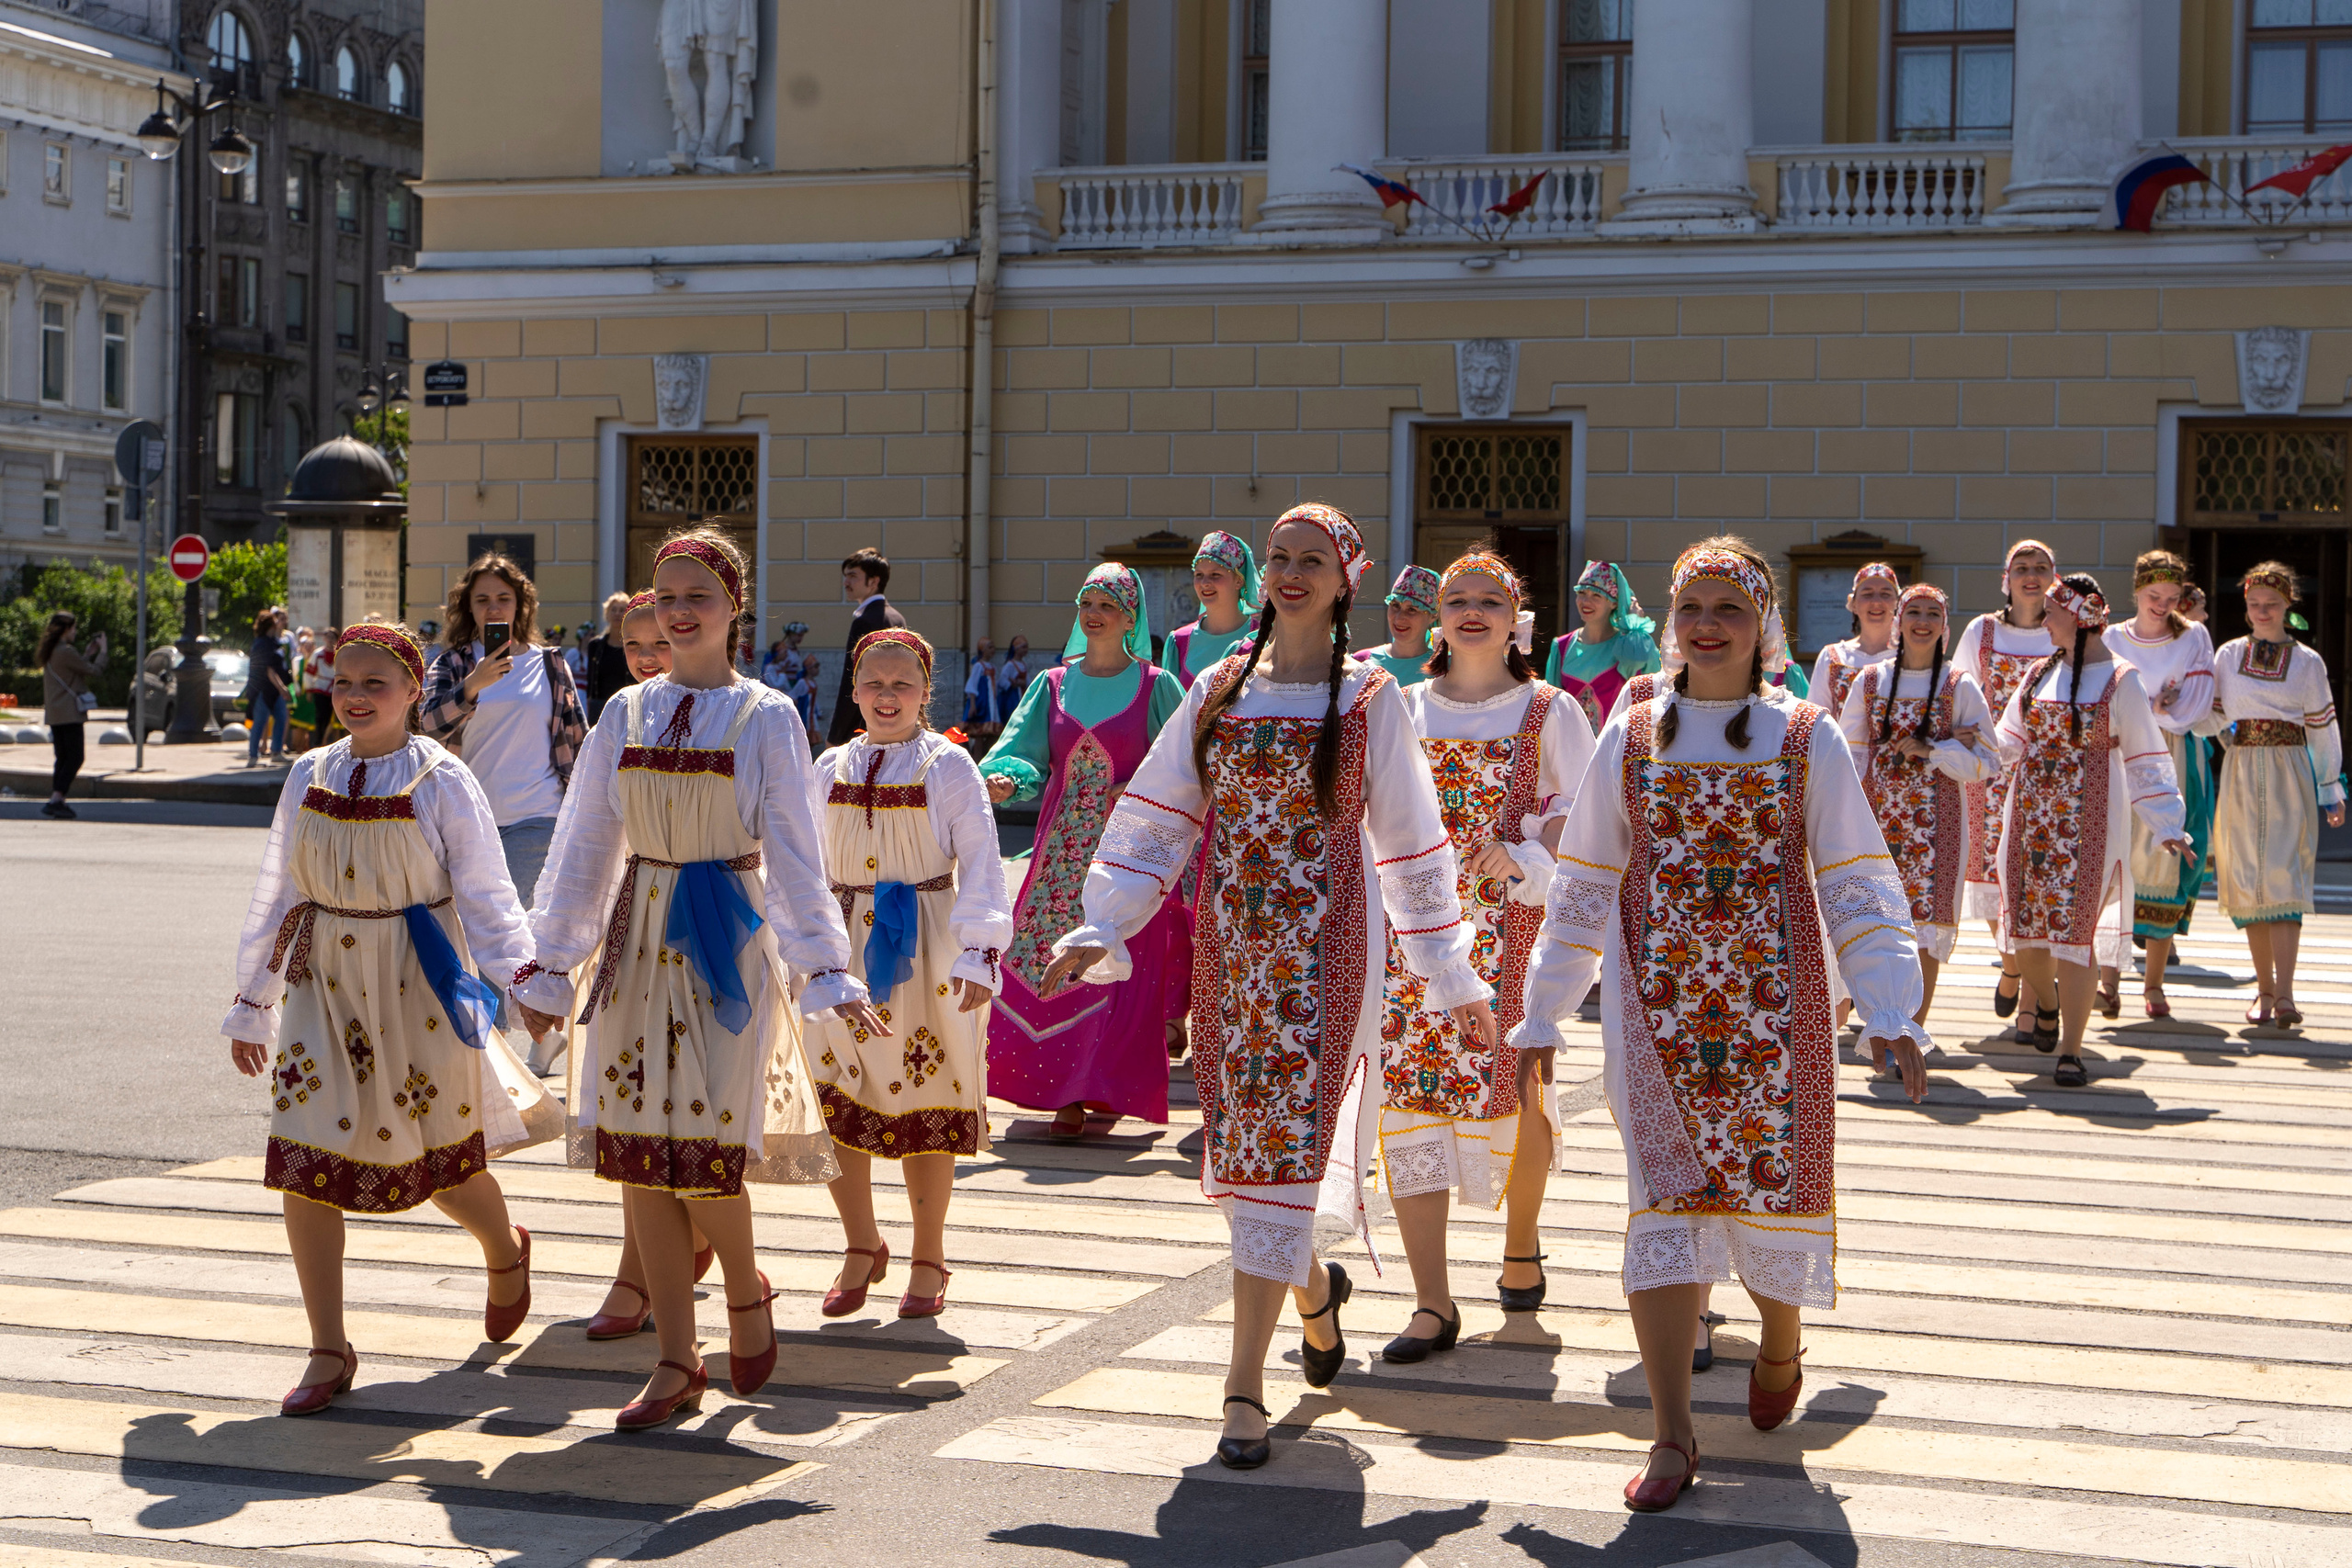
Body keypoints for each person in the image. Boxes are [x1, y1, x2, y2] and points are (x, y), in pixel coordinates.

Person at [1040, 502, 1494, 1472]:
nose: (1291, 572)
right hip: (1232, 956)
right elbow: (1160, 814)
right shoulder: (1219, 688)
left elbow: (1411, 839)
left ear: (1344, 580)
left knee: (1278, 1153)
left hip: (1327, 963)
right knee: (1244, 1158)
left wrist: (1450, 973)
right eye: (1280, 557)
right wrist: (1102, 922)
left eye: (1312, 560)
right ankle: (1315, 1291)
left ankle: (1242, 1385)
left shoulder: (1369, 698)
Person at [1511, 536, 1930, 1514]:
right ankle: (1672, 1433)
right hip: (1653, 1018)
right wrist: (1541, 1012)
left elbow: (1854, 875)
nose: (1707, 625)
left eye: (1729, 608)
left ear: (1762, 626)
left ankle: (1780, 1340)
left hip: (1774, 1018)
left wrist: (1889, 1007)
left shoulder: (1803, 735)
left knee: (1766, 1194)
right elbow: (1585, 881)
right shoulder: (1633, 733)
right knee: (1662, 1211)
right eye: (1692, 607)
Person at [514, 527, 869, 1429]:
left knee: (705, 1150)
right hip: (636, 940)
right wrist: (550, 964)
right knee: (640, 1154)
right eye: (666, 595)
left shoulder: (767, 716)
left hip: (725, 946)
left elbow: (795, 852)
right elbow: (585, 844)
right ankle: (676, 1358)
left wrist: (825, 967)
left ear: (733, 605)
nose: (678, 611)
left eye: (697, 595)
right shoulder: (624, 713)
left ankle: (744, 1291)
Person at [222, 622, 560, 1416]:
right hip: (324, 986)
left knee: (442, 1161)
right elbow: (279, 891)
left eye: (375, 683)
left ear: (414, 691)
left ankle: (504, 1251)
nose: (355, 696)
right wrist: (251, 1001)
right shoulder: (308, 771)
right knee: (302, 1159)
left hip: (418, 983)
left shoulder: (443, 778)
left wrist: (525, 981)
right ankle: (328, 1345)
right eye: (344, 681)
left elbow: (488, 894)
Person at [1375, 549, 1595, 1363]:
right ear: (1436, 619)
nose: (1472, 611)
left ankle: (1520, 1242)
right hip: (1411, 937)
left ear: (1515, 620)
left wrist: (1530, 853)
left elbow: (1588, 818)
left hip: (1514, 928)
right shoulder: (1401, 707)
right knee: (1409, 1101)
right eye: (1456, 599)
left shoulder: (1550, 710)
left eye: (1489, 600)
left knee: (1521, 1089)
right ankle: (1431, 1300)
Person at [808, 627, 1012, 1322]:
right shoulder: (829, 765)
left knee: (927, 1095)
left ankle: (929, 1254)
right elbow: (805, 861)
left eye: (902, 684)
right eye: (874, 683)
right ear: (854, 689)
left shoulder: (947, 765)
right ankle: (861, 1243)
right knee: (837, 1094)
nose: (887, 695)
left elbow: (981, 857)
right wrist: (805, 949)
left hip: (926, 946)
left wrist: (980, 950)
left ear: (926, 692)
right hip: (842, 947)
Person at [981, 565, 1188, 1138]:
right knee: (1050, 956)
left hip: (1129, 853)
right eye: (1086, 603)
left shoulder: (1156, 685)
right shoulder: (1052, 685)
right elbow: (1019, 751)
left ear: (1130, 617)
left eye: (1107, 605)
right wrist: (1006, 780)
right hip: (1059, 854)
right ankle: (1065, 1093)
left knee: (1122, 965)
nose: (1094, 613)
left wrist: (1140, 786)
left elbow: (1185, 759)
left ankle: (1102, 1083)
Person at [1995, 575, 2189, 1085]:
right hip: (2030, 818)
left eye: (2052, 612)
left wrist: (2167, 823)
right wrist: (1962, 750)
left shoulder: (2121, 679)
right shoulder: (2039, 672)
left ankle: (2072, 1051)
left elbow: (2146, 755)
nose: (2044, 621)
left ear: (2081, 618)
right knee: (2028, 936)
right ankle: (2049, 1003)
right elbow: (2007, 741)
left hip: (2091, 821)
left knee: (2075, 937)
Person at [1838, 583, 2000, 1034]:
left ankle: (1911, 1029)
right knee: (1873, 920)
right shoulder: (1871, 681)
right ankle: (1879, 1018)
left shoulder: (1959, 685)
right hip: (1875, 821)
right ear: (1899, 620)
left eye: (1933, 613)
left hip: (1938, 829)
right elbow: (1849, 752)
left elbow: (1989, 761)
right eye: (1914, 612)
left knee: (1925, 926)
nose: (1923, 622)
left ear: (1944, 625)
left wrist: (1936, 749)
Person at [2202, 561, 2346, 1030]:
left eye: (2272, 604)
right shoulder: (2227, 655)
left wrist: (2329, 786)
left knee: (2285, 877)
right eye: (2254, 604)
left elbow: (2322, 727)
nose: (2262, 611)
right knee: (2249, 879)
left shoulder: (2307, 662)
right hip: (2242, 771)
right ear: (2245, 607)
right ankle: (2263, 990)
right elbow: (2213, 716)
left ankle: (2285, 994)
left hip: (2289, 772)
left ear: (2288, 606)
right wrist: (2172, 707)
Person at [419, 554, 588, 911]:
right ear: (468, 607)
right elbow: (427, 726)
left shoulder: (550, 663)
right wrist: (472, 685)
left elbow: (578, 741)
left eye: (503, 598)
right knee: (471, 924)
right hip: (468, 819)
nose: (493, 608)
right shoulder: (454, 663)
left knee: (504, 917)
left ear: (520, 604)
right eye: (482, 599)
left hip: (537, 815)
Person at [2102, 551, 2217, 1019]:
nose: (2163, 605)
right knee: (2116, 854)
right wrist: (2157, 704)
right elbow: (2103, 698)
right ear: (2137, 590)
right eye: (2154, 595)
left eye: (2172, 597)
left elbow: (2194, 708)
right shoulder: (2112, 637)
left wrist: (2148, 708)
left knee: (2164, 856)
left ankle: (2153, 983)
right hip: (2118, 752)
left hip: (2170, 753)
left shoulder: (2193, 637)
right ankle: (2108, 982)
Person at [1952, 540, 2058, 1024]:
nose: (2031, 575)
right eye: (2022, 568)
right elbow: (1958, 690)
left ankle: (2030, 998)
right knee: (1996, 876)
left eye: (2041, 567)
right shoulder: (1983, 630)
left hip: (2050, 771)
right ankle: (2013, 966)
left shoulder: (2063, 629)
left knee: (2037, 879)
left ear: (2054, 578)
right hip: (1991, 770)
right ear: (2006, 579)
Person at [1546, 559, 1660, 723]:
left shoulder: (1630, 644)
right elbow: (1552, 707)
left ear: (1613, 603)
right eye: (1582, 593)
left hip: (1616, 738)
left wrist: (1633, 624)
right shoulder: (1561, 647)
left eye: (1596, 595)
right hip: (1571, 739)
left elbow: (1647, 678)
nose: (1586, 602)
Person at [1165, 531, 1261, 687]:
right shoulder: (1179, 641)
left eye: (1215, 574)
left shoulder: (1261, 637)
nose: (1205, 583)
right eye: (1199, 575)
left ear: (1239, 580)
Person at [831, 548, 906, 746]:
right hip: (895, 721)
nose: (846, 582)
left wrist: (836, 736)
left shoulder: (864, 621)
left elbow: (852, 681)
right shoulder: (897, 617)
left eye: (853, 576)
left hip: (864, 727)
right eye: (846, 576)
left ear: (873, 582)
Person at [1808, 563, 1901, 716]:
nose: (1876, 601)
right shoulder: (1832, 657)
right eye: (1867, 594)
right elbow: (1816, 717)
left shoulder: (1908, 657)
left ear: (1898, 603)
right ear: (1854, 604)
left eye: (1885, 594)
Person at [38, 611, 103, 819]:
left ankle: (58, 801)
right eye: (73, 628)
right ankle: (56, 798)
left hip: (55, 713)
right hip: (70, 713)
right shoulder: (66, 651)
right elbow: (94, 671)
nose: (75, 632)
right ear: (66, 629)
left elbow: (72, 670)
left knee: (63, 758)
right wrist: (103, 652)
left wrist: (87, 654)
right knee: (75, 757)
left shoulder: (51, 650)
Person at [1358, 564, 1441, 687]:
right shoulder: (1363, 661)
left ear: (1433, 615)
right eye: (1395, 606)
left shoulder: (1444, 667)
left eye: (1412, 609)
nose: (1399, 617)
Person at [582, 592, 633, 724]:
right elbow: (590, 678)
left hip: (628, 705)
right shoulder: (595, 645)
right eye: (613, 609)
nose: (617, 614)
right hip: (599, 707)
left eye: (622, 610)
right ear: (607, 613)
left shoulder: (634, 644)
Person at [302, 627, 340, 750]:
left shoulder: (339, 654)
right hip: (320, 688)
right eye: (328, 637)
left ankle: (325, 742)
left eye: (333, 638)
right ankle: (318, 742)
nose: (330, 640)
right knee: (320, 716)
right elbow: (309, 672)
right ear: (324, 639)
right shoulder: (318, 654)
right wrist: (309, 689)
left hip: (333, 689)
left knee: (330, 717)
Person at [962, 637, 1004, 742]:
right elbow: (972, 685)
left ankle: (986, 749)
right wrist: (972, 704)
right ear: (983, 650)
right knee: (979, 732)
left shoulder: (992, 667)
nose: (993, 650)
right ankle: (977, 751)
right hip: (982, 702)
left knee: (991, 733)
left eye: (993, 647)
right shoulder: (979, 666)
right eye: (990, 647)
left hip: (991, 703)